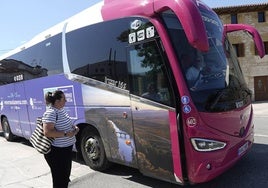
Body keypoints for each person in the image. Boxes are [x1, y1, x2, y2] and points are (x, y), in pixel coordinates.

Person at [42, 90, 79, 188]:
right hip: (57, 152)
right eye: (64, 99)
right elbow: (47, 132)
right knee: (60, 180)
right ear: (57, 101)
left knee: (65, 177)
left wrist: (74, 128)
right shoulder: (51, 113)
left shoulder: (61, 110)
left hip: (65, 150)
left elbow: (66, 124)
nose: (66, 101)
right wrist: (66, 134)